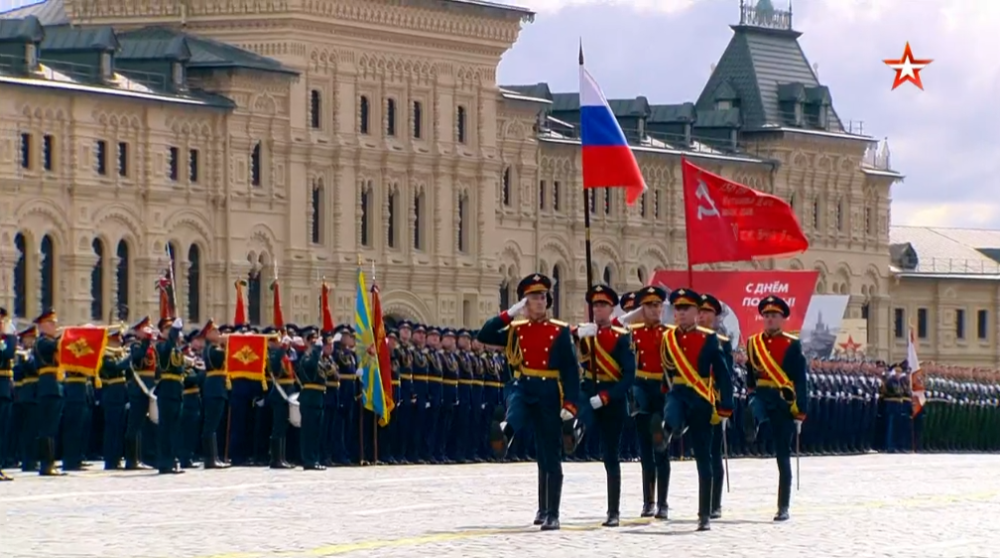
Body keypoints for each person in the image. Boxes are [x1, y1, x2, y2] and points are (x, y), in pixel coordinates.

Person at [478, 273, 581, 531]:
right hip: (524, 386)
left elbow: (570, 371)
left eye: (542, 297)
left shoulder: (559, 331)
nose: (538, 301)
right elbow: (485, 334)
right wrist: (508, 314)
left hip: (548, 391)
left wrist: (570, 404)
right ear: (525, 302)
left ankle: (551, 511)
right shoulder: (516, 330)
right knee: (515, 408)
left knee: (548, 454)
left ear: (547, 302)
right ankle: (506, 433)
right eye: (533, 297)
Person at [650, 289, 734, 531]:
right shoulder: (668, 338)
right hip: (678, 392)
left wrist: (725, 408)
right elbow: (667, 368)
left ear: (697, 313)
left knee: (704, 458)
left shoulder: (709, 339)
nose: (681, 313)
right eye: (677, 309)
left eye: (686, 309)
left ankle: (704, 513)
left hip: (701, 398)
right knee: (671, 410)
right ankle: (666, 432)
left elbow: (723, 376)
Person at [574, 285, 636, 527]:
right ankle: (575, 431)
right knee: (575, 419)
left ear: (611, 309)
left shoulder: (622, 337)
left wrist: (608, 397)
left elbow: (629, 376)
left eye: (602, 305)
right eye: (595, 305)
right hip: (589, 393)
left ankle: (613, 511)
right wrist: (577, 335)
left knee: (610, 455)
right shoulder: (584, 333)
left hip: (612, 399)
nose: (598, 309)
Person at [745, 295, 808, 522]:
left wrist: (800, 410)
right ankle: (754, 426)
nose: (770, 319)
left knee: (783, 455)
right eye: (767, 316)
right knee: (752, 408)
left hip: (783, 401)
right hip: (762, 395)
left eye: (774, 316)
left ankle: (783, 506)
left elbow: (800, 379)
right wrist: (750, 391)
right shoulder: (754, 343)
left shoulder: (792, 344)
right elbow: (750, 374)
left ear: (782, 319)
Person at [624, 287, 671, 519]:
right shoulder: (632, 332)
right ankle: (648, 501)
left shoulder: (670, 333)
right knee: (645, 450)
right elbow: (612, 326)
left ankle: (663, 502)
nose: (654, 310)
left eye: (657, 305)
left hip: (662, 392)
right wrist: (633, 316)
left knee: (661, 448)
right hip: (641, 391)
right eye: (649, 306)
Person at [697, 293, 735, 519]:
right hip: (695, 401)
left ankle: (715, 503)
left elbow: (726, 375)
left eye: (707, 312)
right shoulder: (689, 338)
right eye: (700, 312)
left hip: (714, 401)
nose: (702, 316)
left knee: (713, 453)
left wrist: (724, 407)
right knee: (701, 452)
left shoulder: (722, 343)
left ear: (715, 317)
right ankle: (705, 500)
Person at [32, 309, 65, 476]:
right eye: (51, 323)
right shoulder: (41, 342)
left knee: (52, 427)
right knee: (47, 427)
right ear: (42, 326)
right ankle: (46, 463)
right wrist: (68, 336)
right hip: (47, 387)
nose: (55, 326)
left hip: (55, 386)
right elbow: (53, 347)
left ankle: (50, 461)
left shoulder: (51, 340)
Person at [154, 316, 185, 474]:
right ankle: (164, 462)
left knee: (174, 429)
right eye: (167, 329)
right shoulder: (160, 347)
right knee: (165, 429)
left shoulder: (177, 348)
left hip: (176, 391)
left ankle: (172, 460)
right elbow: (166, 354)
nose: (171, 332)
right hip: (166, 390)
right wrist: (174, 331)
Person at [0, 309, 15, 481]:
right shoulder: (6, 341)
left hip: (4, 390)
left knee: (3, 430)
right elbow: (7, 353)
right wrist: (10, 338)